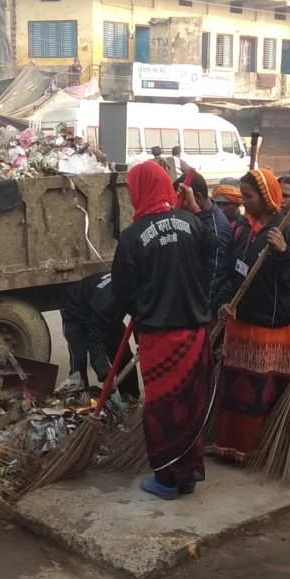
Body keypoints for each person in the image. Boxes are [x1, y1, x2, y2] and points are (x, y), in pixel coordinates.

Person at [111, 161, 216, 499]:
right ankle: (187, 475)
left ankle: (168, 480)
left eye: (131, 189)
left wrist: (145, 308)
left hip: (160, 337)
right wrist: (195, 212)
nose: (130, 195)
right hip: (196, 333)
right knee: (190, 403)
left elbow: (122, 293)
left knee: (163, 407)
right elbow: (211, 261)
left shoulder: (131, 237)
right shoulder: (192, 223)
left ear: (141, 190)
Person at [208, 169, 290, 463]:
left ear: (266, 198)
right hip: (239, 327)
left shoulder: (287, 231)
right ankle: (229, 445)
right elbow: (228, 272)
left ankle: (258, 450)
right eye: (242, 196)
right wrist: (224, 302)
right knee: (233, 394)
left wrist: (284, 252)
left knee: (259, 395)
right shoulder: (242, 228)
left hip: (270, 331)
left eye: (249, 197)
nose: (244, 203)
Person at [59, 271, 139, 400]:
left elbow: (140, 316)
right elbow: (95, 340)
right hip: (75, 311)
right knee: (79, 358)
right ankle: (78, 398)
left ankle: (131, 399)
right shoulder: (105, 303)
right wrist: (105, 375)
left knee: (122, 353)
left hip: (106, 312)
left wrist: (143, 341)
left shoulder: (136, 289)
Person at [180, 170, 231, 315]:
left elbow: (215, 274)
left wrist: (203, 313)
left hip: (205, 310)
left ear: (196, 197)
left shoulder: (217, 227)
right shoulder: (198, 218)